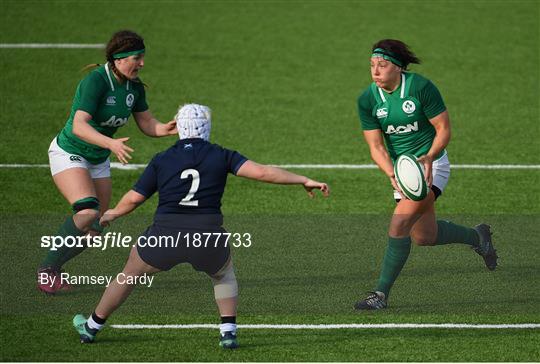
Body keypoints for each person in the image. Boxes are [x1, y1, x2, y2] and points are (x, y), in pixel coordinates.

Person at [72, 104, 330, 349]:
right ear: (206, 127)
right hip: (207, 237)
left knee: (128, 274)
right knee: (223, 274)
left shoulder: (162, 159)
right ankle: (228, 332)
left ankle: (92, 326)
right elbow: (263, 172)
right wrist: (303, 179)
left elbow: (135, 198)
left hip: (165, 236)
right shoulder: (221, 154)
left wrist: (112, 214)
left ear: (179, 128)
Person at [354, 39, 498, 310]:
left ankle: (380, 295)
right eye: (372, 65)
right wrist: (391, 173)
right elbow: (375, 145)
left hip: (432, 166)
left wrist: (430, 156)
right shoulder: (368, 99)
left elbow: (443, 128)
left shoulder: (420, 88)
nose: (375, 71)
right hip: (404, 172)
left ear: (398, 68)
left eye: (382, 65)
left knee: (398, 226)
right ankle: (479, 237)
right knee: (424, 236)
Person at [37, 30, 177, 294]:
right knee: (87, 211)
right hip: (70, 151)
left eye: (143, 57)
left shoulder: (133, 88)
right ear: (119, 58)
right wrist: (111, 143)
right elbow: (79, 125)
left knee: (95, 226)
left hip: (98, 158)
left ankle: (54, 267)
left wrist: (165, 129)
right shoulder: (96, 81)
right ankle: (48, 270)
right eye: (137, 58)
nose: (142, 64)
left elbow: (146, 122)